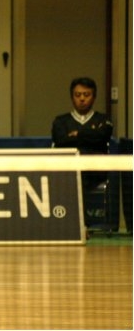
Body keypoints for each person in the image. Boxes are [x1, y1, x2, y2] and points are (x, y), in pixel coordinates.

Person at [51, 77, 114, 226]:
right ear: (72, 97)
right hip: (67, 169)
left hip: (95, 170)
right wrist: (89, 137)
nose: (82, 99)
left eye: (86, 95)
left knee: (81, 177)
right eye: (78, 95)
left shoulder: (103, 119)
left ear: (94, 97)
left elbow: (102, 137)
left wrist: (77, 134)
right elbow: (60, 140)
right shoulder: (60, 121)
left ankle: (80, 223)